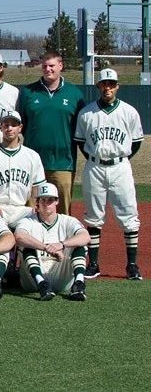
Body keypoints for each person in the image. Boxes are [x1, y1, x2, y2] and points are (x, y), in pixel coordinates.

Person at [74, 68, 144, 280]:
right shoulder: (87, 113)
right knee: (94, 216)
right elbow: (80, 142)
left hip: (120, 167)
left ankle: (131, 265)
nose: (108, 88)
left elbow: (137, 142)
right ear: (98, 86)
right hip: (94, 167)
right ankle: (93, 264)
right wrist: (97, 159)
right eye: (104, 84)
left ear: (117, 86)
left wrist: (119, 160)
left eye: (111, 84)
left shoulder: (129, 112)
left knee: (129, 215)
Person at [16, 51, 86, 215]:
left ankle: (62, 240)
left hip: (63, 163)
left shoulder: (74, 94)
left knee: (62, 211)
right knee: (31, 209)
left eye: (52, 66)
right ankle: (31, 240)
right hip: (33, 162)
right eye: (45, 66)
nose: (48, 69)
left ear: (60, 66)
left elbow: (80, 128)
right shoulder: (28, 92)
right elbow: (23, 124)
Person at [13, 183, 91, 301]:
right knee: (24, 247)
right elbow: (19, 237)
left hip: (61, 276)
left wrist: (61, 245)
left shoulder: (67, 221)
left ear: (57, 201)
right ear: (37, 202)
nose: (46, 203)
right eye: (43, 200)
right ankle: (42, 284)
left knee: (80, 245)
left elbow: (85, 237)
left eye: (50, 200)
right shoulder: (28, 221)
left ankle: (79, 284)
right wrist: (46, 248)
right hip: (32, 281)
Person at [0, 111, 46, 228]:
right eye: (6, 125)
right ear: (0, 127)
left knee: (38, 223)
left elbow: (36, 186)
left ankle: (25, 246)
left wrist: (37, 205)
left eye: (13, 125)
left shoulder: (32, 155)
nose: (9, 128)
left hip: (21, 209)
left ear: (20, 128)